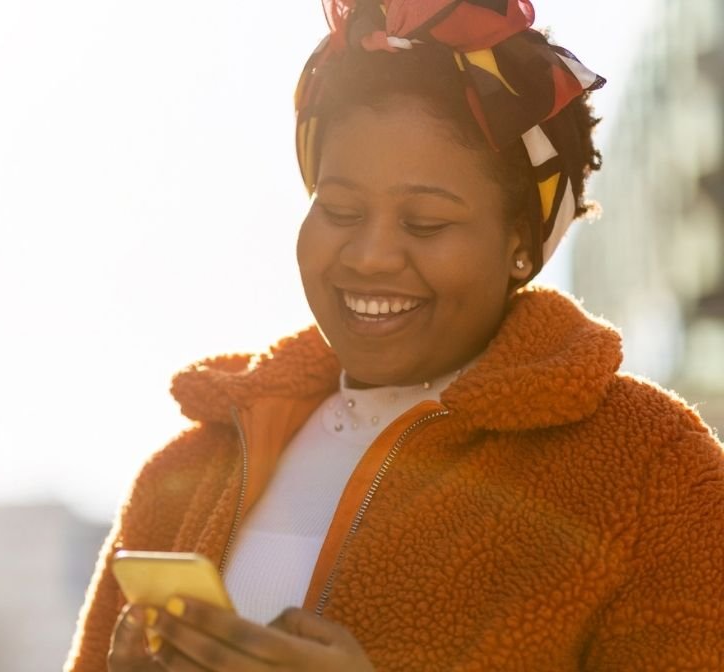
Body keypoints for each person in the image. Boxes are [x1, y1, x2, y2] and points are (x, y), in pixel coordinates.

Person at [65, 1, 724, 670]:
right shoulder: (180, 475)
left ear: (522, 244)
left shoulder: (654, 473)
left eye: (426, 223)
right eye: (340, 209)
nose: (370, 256)